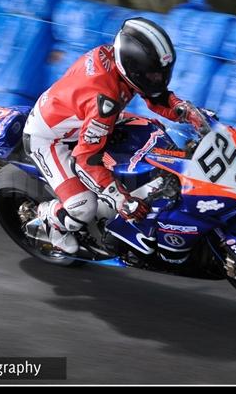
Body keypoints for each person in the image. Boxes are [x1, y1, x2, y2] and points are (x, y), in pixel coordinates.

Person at [22, 17, 205, 254]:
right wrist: (121, 200)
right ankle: (50, 220)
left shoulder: (113, 58)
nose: (158, 79)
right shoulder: (104, 100)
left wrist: (184, 111)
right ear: (132, 68)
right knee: (82, 207)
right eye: (152, 75)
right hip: (51, 138)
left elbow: (154, 96)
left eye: (161, 73)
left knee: (157, 134)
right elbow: (85, 159)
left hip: (87, 119)